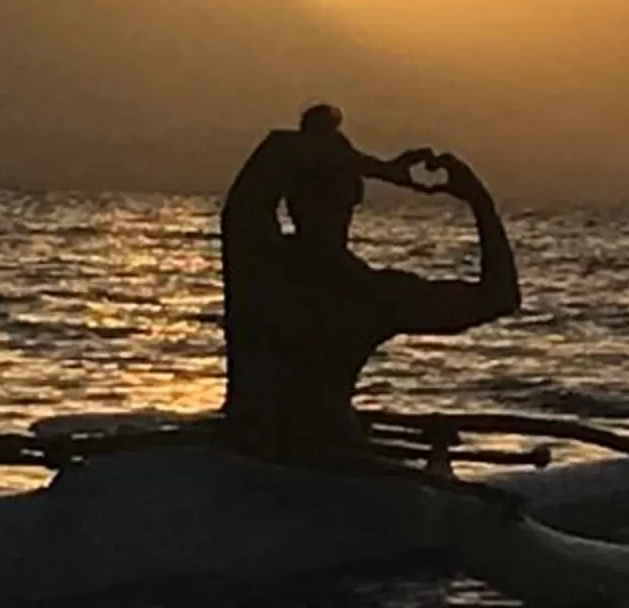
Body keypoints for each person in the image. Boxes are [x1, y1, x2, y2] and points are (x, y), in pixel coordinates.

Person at [216, 104, 521, 464]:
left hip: (250, 447)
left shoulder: (255, 261)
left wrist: (376, 168)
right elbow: (499, 296)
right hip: (328, 457)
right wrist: (479, 201)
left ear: (289, 197)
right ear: (354, 196)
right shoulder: (370, 295)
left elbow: (277, 155)